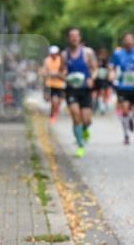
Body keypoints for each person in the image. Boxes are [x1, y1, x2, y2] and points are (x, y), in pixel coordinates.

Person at [63, 28, 98, 158]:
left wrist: (91, 78)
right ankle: (80, 145)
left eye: (76, 36)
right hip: (72, 89)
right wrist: (65, 77)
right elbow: (62, 71)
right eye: (71, 36)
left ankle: (84, 130)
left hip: (85, 90)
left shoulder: (87, 53)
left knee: (86, 120)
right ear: (68, 38)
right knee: (76, 117)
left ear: (80, 38)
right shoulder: (64, 55)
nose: (74, 38)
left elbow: (95, 69)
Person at [109, 32, 134, 145]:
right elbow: (112, 66)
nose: (129, 43)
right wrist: (111, 73)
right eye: (127, 41)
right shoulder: (118, 54)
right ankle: (126, 135)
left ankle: (131, 118)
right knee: (124, 110)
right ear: (124, 42)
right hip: (123, 86)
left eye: (131, 40)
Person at [41, 45, 66, 124]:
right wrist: (47, 75)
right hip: (50, 84)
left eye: (55, 53)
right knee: (54, 101)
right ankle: (53, 115)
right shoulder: (47, 60)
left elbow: (64, 71)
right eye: (52, 53)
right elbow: (44, 70)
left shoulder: (61, 60)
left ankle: (56, 110)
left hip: (60, 84)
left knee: (59, 101)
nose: (53, 55)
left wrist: (59, 74)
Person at [93, 48, 112, 115]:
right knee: (97, 93)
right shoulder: (97, 61)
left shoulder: (107, 61)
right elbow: (94, 68)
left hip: (104, 79)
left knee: (103, 92)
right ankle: (96, 104)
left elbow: (110, 69)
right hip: (97, 79)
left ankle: (102, 105)